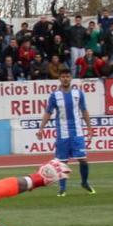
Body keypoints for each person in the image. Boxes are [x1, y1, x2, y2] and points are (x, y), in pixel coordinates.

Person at [36, 68, 94, 197]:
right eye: (63, 76)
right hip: (62, 133)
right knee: (62, 162)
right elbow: (48, 112)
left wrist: (90, 128)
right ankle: (62, 189)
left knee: (83, 160)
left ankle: (84, 182)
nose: (65, 78)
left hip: (77, 132)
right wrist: (41, 128)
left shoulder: (78, 93)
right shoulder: (54, 95)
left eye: (67, 76)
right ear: (59, 78)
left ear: (71, 78)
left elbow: (84, 110)